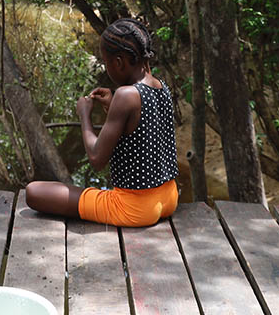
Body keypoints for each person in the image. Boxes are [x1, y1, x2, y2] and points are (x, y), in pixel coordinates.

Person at [24, 17, 179, 227]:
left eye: (106, 62)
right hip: (169, 197)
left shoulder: (126, 95)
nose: (107, 67)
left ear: (118, 62)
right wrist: (111, 105)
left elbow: (97, 159)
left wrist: (84, 115)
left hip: (134, 209)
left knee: (34, 192)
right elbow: (141, 132)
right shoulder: (161, 86)